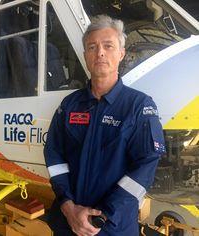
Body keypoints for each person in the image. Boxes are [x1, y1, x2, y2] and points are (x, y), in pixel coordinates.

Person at [44, 14, 165, 236]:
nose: (100, 52)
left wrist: (102, 216)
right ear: (85, 56)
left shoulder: (139, 106)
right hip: (68, 224)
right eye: (92, 47)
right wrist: (68, 207)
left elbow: (145, 165)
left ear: (121, 53)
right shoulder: (69, 105)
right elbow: (54, 155)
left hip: (112, 228)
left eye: (108, 46)